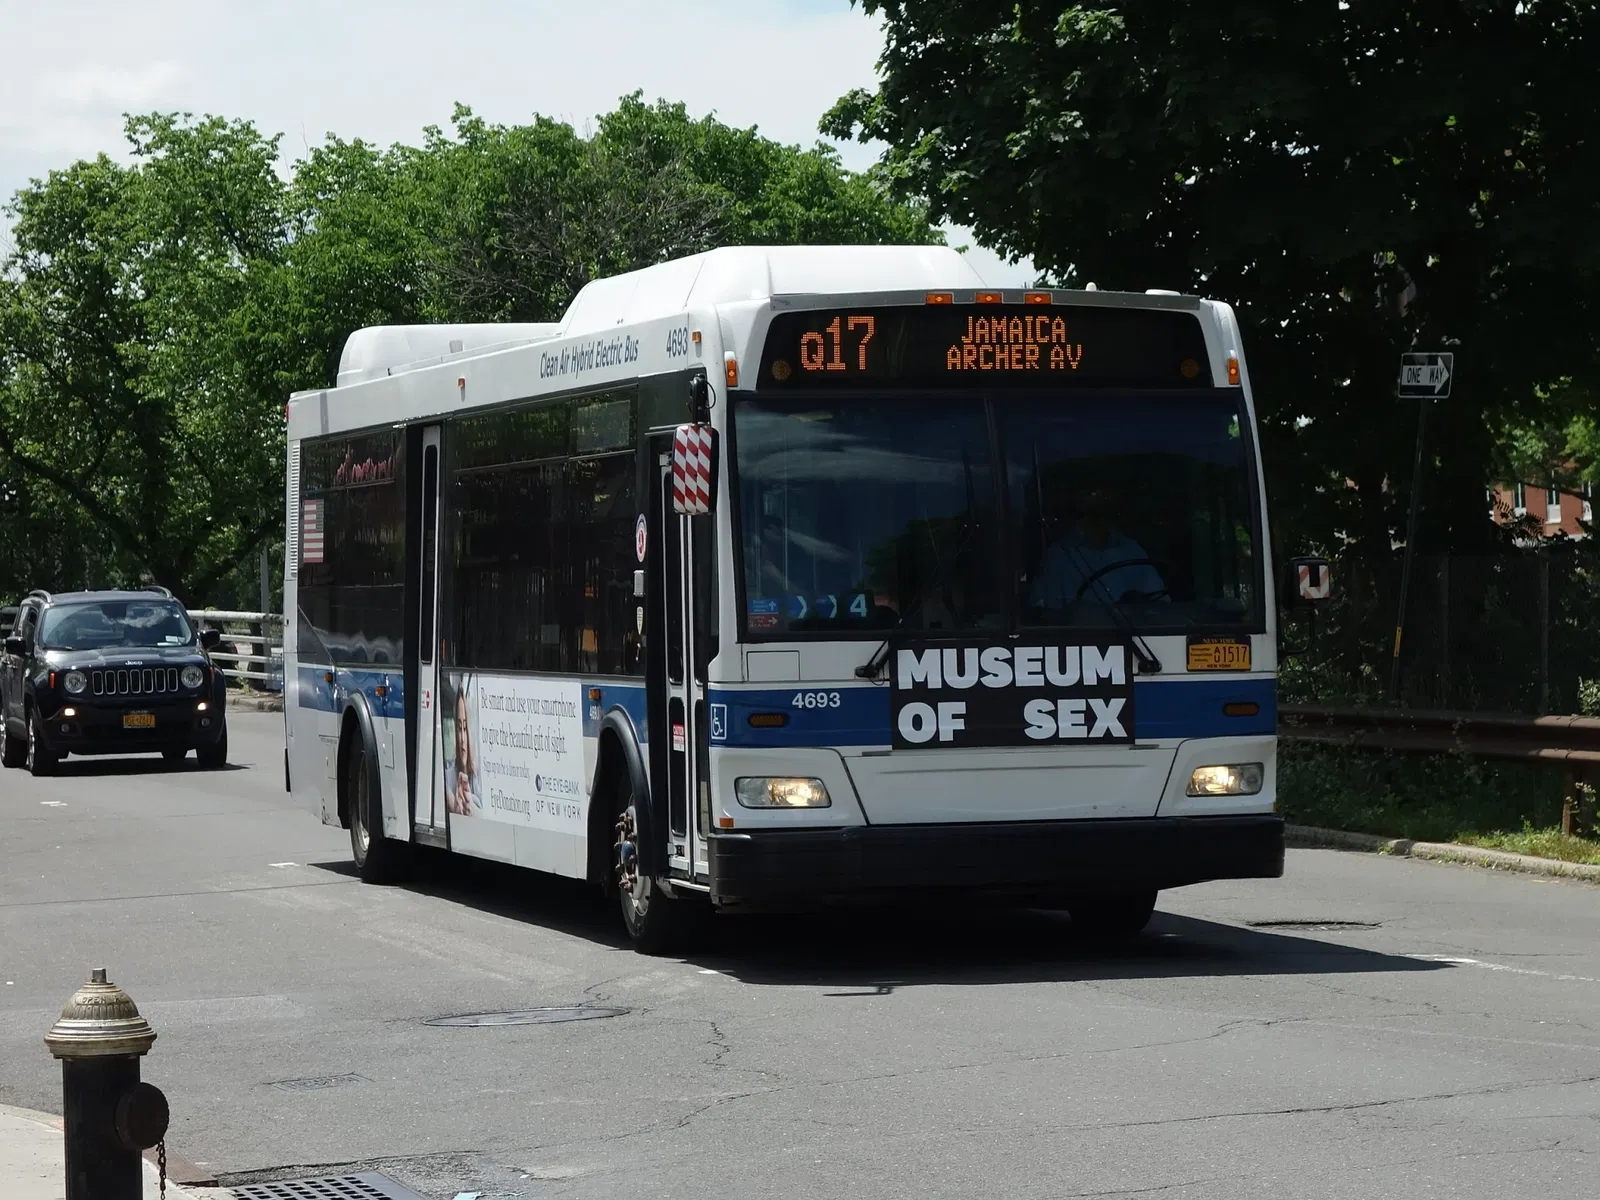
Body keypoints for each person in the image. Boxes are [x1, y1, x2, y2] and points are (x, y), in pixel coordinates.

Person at [1028, 480, 1168, 611]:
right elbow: (1043, 612)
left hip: (1136, 635)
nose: (1098, 521)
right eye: (1090, 514)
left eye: (1103, 511)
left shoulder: (1132, 550)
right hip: (1079, 636)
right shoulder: (1059, 555)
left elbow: (1160, 603)